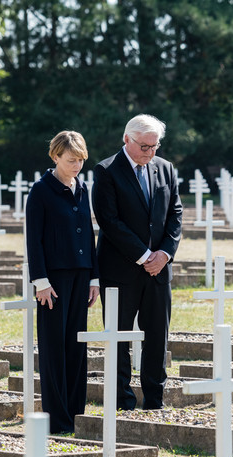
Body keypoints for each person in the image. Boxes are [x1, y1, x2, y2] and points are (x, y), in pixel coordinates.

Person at [92, 114, 182, 410]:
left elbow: (175, 214)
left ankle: (155, 401)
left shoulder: (166, 169)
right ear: (126, 139)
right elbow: (110, 221)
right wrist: (145, 256)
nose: (150, 152)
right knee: (118, 340)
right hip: (120, 270)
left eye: (154, 146)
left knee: (157, 338)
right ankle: (123, 402)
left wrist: (164, 254)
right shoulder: (106, 171)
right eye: (144, 146)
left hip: (159, 271)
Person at [26, 130, 100, 433]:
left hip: (82, 276)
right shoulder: (41, 191)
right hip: (53, 280)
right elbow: (35, 239)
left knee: (76, 345)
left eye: (80, 161)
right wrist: (40, 281)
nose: (77, 166)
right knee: (54, 346)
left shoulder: (82, 188)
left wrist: (94, 276)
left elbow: (89, 234)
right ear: (55, 156)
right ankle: (57, 418)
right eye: (71, 160)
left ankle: (75, 412)